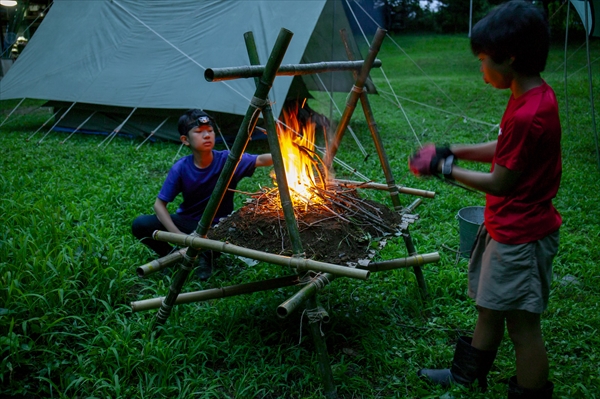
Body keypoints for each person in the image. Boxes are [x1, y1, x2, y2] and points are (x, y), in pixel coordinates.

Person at [408, 2, 561, 398]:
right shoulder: (527, 96)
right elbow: (504, 147)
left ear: (508, 58)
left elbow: (500, 182)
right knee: (489, 307)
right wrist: (451, 150)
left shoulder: (532, 113)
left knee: (523, 327)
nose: (480, 69)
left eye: (482, 60)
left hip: (522, 238)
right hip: (505, 228)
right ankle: (465, 377)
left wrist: (443, 169)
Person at [132, 109, 273, 280]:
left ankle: (205, 258)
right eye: (199, 132)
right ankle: (170, 255)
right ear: (185, 140)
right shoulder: (181, 168)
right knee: (140, 224)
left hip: (218, 227)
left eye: (210, 131)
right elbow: (159, 205)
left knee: (223, 236)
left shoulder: (228, 160)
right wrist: (178, 236)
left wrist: (287, 153)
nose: (206, 135)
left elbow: (261, 160)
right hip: (188, 223)